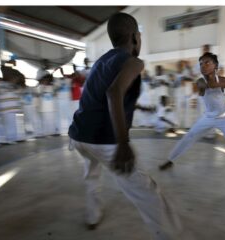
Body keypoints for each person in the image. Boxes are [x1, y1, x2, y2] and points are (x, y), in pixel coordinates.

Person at [68, 12, 186, 239]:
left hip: (79, 135)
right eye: (139, 37)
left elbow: (101, 96)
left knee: (91, 175)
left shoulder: (102, 61)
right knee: (146, 192)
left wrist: (137, 110)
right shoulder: (134, 61)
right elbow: (114, 93)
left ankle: (92, 217)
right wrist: (123, 143)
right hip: (103, 140)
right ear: (134, 37)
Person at [159, 52, 225, 189]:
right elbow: (209, 85)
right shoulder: (200, 81)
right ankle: (170, 160)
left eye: (207, 62)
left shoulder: (223, 79)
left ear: (215, 65)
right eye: (201, 63)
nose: (203, 65)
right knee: (189, 136)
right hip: (208, 118)